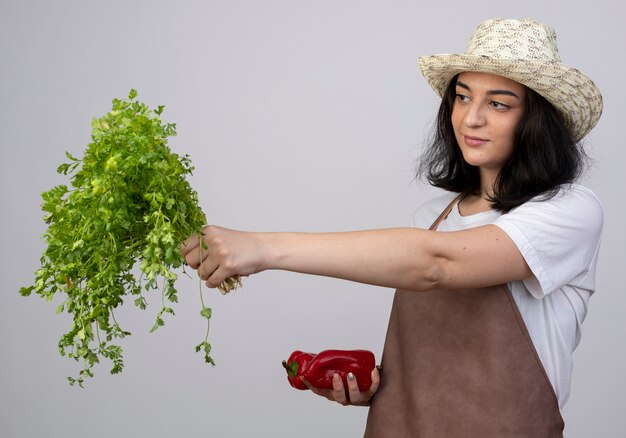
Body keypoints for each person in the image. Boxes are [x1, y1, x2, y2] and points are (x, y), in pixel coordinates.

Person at [181, 18, 603, 437]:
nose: (470, 119)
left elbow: (436, 264)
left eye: (498, 103)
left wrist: (263, 248)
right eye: (461, 97)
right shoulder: (431, 220)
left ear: (537, 120)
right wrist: (380, 386)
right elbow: (440, 361)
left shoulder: (568, 210)